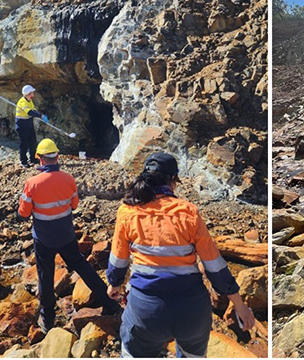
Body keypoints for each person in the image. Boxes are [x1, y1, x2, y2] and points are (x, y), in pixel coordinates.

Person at [106, 152, 256, 358]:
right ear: (172, 181)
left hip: (146, 311)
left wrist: (114, 284)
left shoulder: (128, 212)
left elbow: (118, 260)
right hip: (192, 309)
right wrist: (239, 305)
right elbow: (215, 266)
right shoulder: (189, 212)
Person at [18, 138, 119, 332]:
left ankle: (47, 320)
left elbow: (23, 213)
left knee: (45, 276)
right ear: (57, 157)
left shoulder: (32, 183)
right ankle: (110, 303)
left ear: (40, 159)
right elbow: (74, 205)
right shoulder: (68, 178)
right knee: (81, 265)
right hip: (66, 235)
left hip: (44, 238)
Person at [16, 85, 48, 168]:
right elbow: (29, 112)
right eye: (32, 92)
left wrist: (38, 115)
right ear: (28, 93)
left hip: (29, 125)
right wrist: (40, 116)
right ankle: (23, 161)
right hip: (22, 126)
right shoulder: (22, 102)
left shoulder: (29, 101)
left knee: (33, 142)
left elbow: (33, 110)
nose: (33, 93)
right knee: (24, 144)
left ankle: (32, 158)